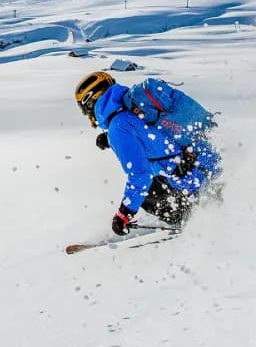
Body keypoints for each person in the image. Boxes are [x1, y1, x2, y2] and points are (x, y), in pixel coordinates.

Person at [74, 70, 221, 235]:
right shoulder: (133, 108)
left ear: (91, 100)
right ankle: (208, 202)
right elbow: (148, 134)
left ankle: (192, 221)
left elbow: (140, 174)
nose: (87, 115)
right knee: (154, 181)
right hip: (205, 162)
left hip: (192, 181)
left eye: (84, 109)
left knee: (147, 191)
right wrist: (110, 138)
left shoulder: (118, 127)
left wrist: (124, 213)